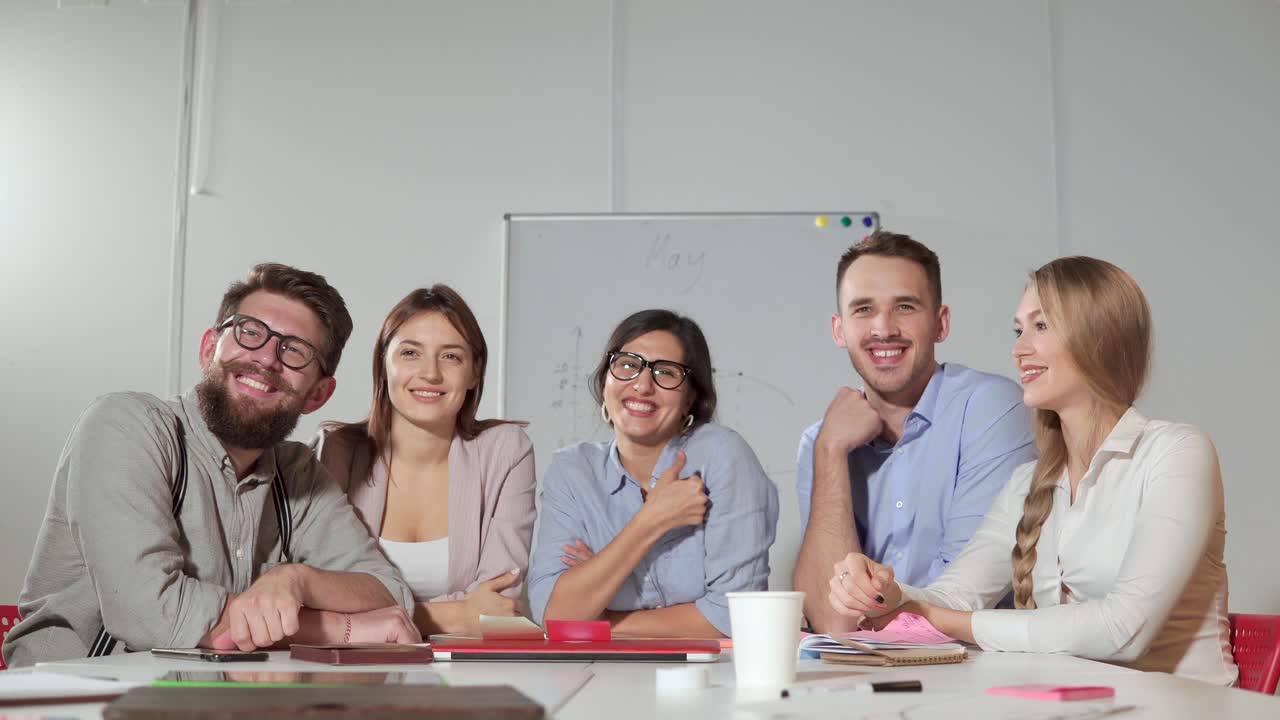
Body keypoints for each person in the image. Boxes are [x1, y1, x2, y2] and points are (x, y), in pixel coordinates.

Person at [828, 256, 1237, 686]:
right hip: (1080, 708)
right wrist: (885, 593)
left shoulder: (1176, 453)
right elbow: (954, 595)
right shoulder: (1027, 483)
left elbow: (1124, 630)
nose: (1019, 348)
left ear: (1100, 337)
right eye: (1019, 329)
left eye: (1041, 326)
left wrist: (943, 620)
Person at [2, 263, 419, 668]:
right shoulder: (127, 425)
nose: (266, 359)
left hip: (202, 699)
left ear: (318, 395)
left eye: (294, 351)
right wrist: (337, 629)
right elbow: (152, 613)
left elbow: (389, 592)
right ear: (208, 349)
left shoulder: (297, 472)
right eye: (249, 332)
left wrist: (298, 580)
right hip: (71, 697)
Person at [793, 231, 1036, 633]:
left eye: (904, 306)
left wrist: (862, 610)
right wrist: (830, 452)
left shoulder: (991, 407)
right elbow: (831, 619)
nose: (884, 328)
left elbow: (962, 598)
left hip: (971, 668)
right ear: (839, 330)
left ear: (940, 324)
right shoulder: (820, 442)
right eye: (863, 309)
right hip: (864, 671)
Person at [527, 310, 778, 637]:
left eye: (666, 372)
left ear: (690, 397)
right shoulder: (573, 471)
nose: (643, 385)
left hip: (708, 677)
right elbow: (553, 615)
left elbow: (735, 616)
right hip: (600, 676)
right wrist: (651, 520)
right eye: (628, 364)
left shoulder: (722, 455)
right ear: (606, 380)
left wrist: (601, 618)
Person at [313, 285, 535, 636]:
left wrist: (371, 617)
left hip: (468, 675)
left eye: (451, 356)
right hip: (357, 668)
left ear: (474, 372)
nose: (430, 373)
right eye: (410, 353)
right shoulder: (336, 451)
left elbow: (499, 605)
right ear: (384, 364)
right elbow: (318, 596)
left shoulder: (506, 451)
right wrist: (455, 614)